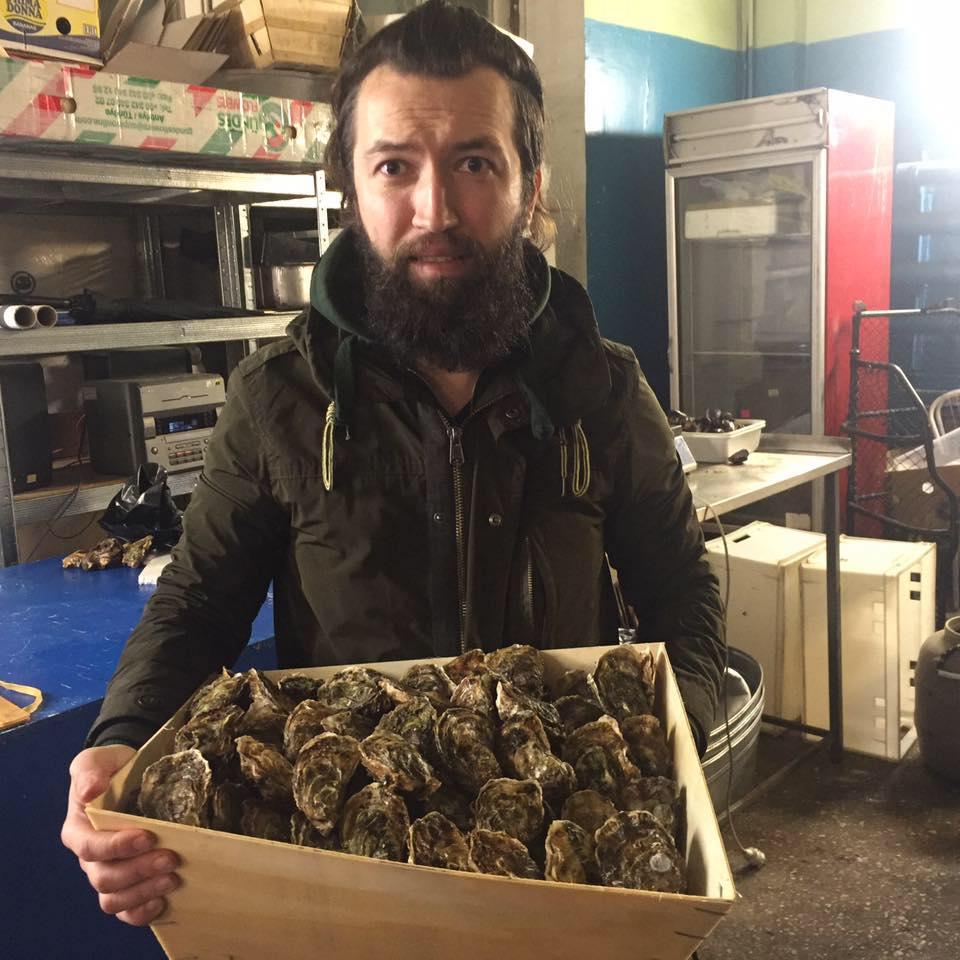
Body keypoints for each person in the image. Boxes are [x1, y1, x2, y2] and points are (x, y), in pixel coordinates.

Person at [61, 0, 724, 929]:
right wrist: (126, 737)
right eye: (394, 166)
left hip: (559, 883)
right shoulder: (277, 400)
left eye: (475, 163)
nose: (434, 210)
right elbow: (198, 602)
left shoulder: (603, 390)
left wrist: (671, 750)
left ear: (530, 185)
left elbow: (682, 594)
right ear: (351, 189)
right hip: (349, 884)